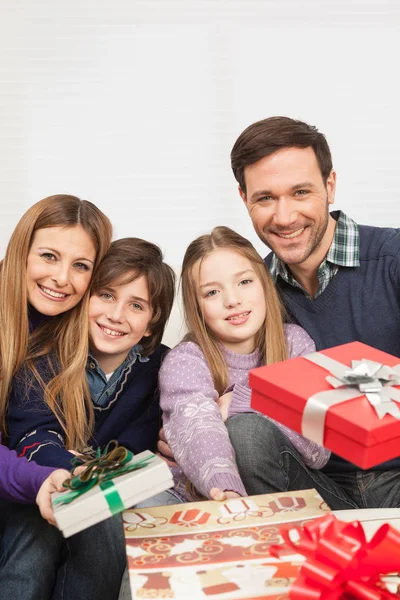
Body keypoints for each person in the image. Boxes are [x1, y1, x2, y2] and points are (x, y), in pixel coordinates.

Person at [227, 115, 400, 510]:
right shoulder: (247, 294)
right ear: (244, 200)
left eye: (301, 192)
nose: (285, 217)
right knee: (245, 430)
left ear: (330, 186)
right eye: (265, 198)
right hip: (316, 489)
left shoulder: (393, 259)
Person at [0, 195, 128, 600]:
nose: (61, 278)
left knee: (70, 514)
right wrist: (36, 479)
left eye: (80, 266)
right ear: (22, 251)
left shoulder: (59, 338)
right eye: (49, 256)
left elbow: (35, 429)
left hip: (18, 492)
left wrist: (68, 477)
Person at [158, 226, 329, 502]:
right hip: (219, 501)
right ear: (196, 306)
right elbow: (199, 425)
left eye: (244, 282)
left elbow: (318, 448)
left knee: (246, 430)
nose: (232, 300)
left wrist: (241, 402)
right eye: (212, 292)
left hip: (301, 494)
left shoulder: (294, 344)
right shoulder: (186, 361)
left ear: (264, 283)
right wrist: (225, 490)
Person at [7, 237, 176, 468]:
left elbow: (138, 445)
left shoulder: (167, 366)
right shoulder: (41, 355)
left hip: (127, 493)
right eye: (107, 295)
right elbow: (34, 438)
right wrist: (76, 467)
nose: (116, 315)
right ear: (84, 298)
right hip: (50, 488)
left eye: (136, 306)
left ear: (151, 324)